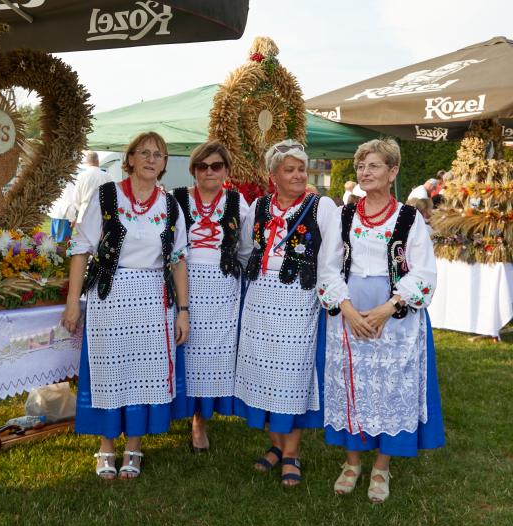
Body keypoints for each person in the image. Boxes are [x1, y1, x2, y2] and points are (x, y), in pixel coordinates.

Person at [317, 138, 444, 504]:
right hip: (349, 309)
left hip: (394, 313)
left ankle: (381, 466)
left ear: (393, 172)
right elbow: (327, 267)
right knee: (350, 382)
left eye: (373, 166)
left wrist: (388, 308)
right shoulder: (344, 215)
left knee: (390, 385)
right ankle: (352, 462)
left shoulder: (410, 217)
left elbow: (423, 272)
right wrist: (348, 310)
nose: (365, 172)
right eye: (361, 166)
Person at [61, 131, 189, 480]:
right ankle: (106, 446)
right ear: (129, 159)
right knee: (109, 369)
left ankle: (133, 445)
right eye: (143, 152)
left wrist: (183, 311)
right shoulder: (107, 196)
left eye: (158, 155)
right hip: (110, 295)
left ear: (164, 164)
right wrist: (73, 302)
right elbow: (80, 249)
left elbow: (178, 259)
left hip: (153, 300)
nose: (150, 159)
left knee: (143, 372)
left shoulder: (170, 205)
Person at [234, 139, 337, 487]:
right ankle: (276, 445)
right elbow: (247, 248)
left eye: (301, 169)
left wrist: (325, 295)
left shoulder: (321, 206)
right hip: (260, 299)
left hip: (299, 299)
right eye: (289, 170)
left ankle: (292, 451)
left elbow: (331, 255)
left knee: (292, 374)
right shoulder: (259, 206)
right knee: (261, 369)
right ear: (273, 175)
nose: (297, 175)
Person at [171, 141, 252, 452]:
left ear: (226, 170)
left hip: (222, 290)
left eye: (216, 166)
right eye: (202, 166)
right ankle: (178, 409)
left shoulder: (237, 202)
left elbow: (246, 246)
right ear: (193, 170)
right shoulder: (176, 198)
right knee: (183, 351)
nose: (209, 171)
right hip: (184, 283)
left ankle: (199, 422)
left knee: (211, 358)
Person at [70, 151, 114, 226]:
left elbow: (75, 198)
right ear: (98, 161)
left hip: (84, 212)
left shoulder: (81, 176)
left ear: (87, 162)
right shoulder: (107, 176)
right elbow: (111, 196)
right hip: (101, 213)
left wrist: (81, 209)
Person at [47, 178, 76, 242]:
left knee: (54, 241)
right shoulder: (70, 184)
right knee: (62, 242)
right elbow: (70, 202)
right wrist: (73, 219)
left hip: (56, 214)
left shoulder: (57, 181)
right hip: (64, 215)